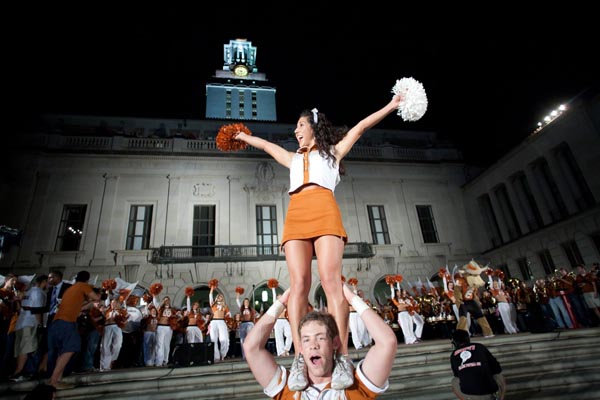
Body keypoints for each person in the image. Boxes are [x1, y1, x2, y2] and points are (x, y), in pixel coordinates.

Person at [235, 94, 404, 390]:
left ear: (313, 126)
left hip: (325, 210)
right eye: (295, 127)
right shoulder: (292, 158)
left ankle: (341, 357)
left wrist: (391, 105)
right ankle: (301, 358)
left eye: (301, 126)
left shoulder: (333, 153)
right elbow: (264, 144)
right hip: (296, 214)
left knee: (331, 282)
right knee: (298, 284)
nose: (296, 131)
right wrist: (240, 136)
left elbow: (361, 126)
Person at [243, 284, 397, 399]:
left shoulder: (354, 387)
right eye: (306, 340)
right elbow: (251, 347)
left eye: (320, 338)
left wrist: (352, 299)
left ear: (335, 343)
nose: (313, 345)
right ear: (301, 348)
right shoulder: (289, 389)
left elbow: (387, 342)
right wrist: (281, 302)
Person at [47, 270, 100, 389]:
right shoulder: (83, 285)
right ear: (87, 279)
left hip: (57, 322)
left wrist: (88, 303)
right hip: (67, 322)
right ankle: (54, 380)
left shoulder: (71, 289)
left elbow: (78, 307)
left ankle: (58, 379)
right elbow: (96, 297)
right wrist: (100, 293)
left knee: (63, 351)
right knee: (72, 347)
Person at [450, 329, 506, 400]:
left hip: (471, 395)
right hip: (491, 392)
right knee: (499, 375)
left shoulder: (453, 355)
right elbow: (497, 368)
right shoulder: (480, 346)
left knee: (454, 381)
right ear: (468, 338)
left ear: (454, 342)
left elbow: (457, 375)